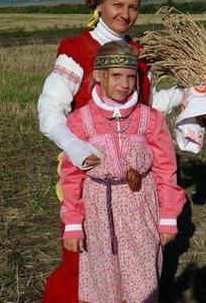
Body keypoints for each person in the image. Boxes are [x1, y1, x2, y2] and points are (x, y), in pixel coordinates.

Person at [38, 0, 181, 303]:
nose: (125, 14)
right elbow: (50, 110)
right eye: (117, 4)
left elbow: (149, 106)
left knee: (139, 259)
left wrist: (190, 95)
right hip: (90, 177)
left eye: (133, 6)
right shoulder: (77, 50)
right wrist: (74, 146)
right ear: (99, 5)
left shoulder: (139, 52)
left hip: (137, 183)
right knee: (82, 258)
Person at [60, 41, 186, 302]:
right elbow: (71, 176)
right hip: (97, 212)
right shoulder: (79, 121)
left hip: (140, 206)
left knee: (142, 275)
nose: (125, 84)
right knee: (102, 277)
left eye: (130, 77)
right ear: (98, 76)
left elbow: (166, 169)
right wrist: (73, 223)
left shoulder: (149, 119)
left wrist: (168, 217)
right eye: (116, 75)